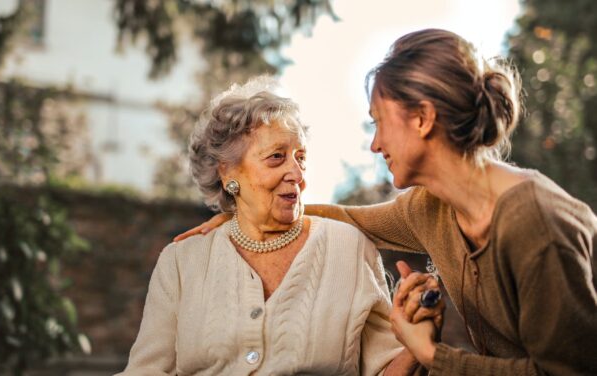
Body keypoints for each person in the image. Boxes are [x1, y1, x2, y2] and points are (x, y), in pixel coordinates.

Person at [175, 29, 597, 375]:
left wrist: (432, 355)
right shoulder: (430, 208)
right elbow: (347, 217)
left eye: (379, 123)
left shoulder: (535, 223)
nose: (375, 144)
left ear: (422, 118)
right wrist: (245, 214)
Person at [117, 77, 443, 376]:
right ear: (228, 173)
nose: (297, 174)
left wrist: (417, 347)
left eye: (300, 157)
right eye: (276, 157)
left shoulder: (349, 248)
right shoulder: (181, 261)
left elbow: (386, 369)